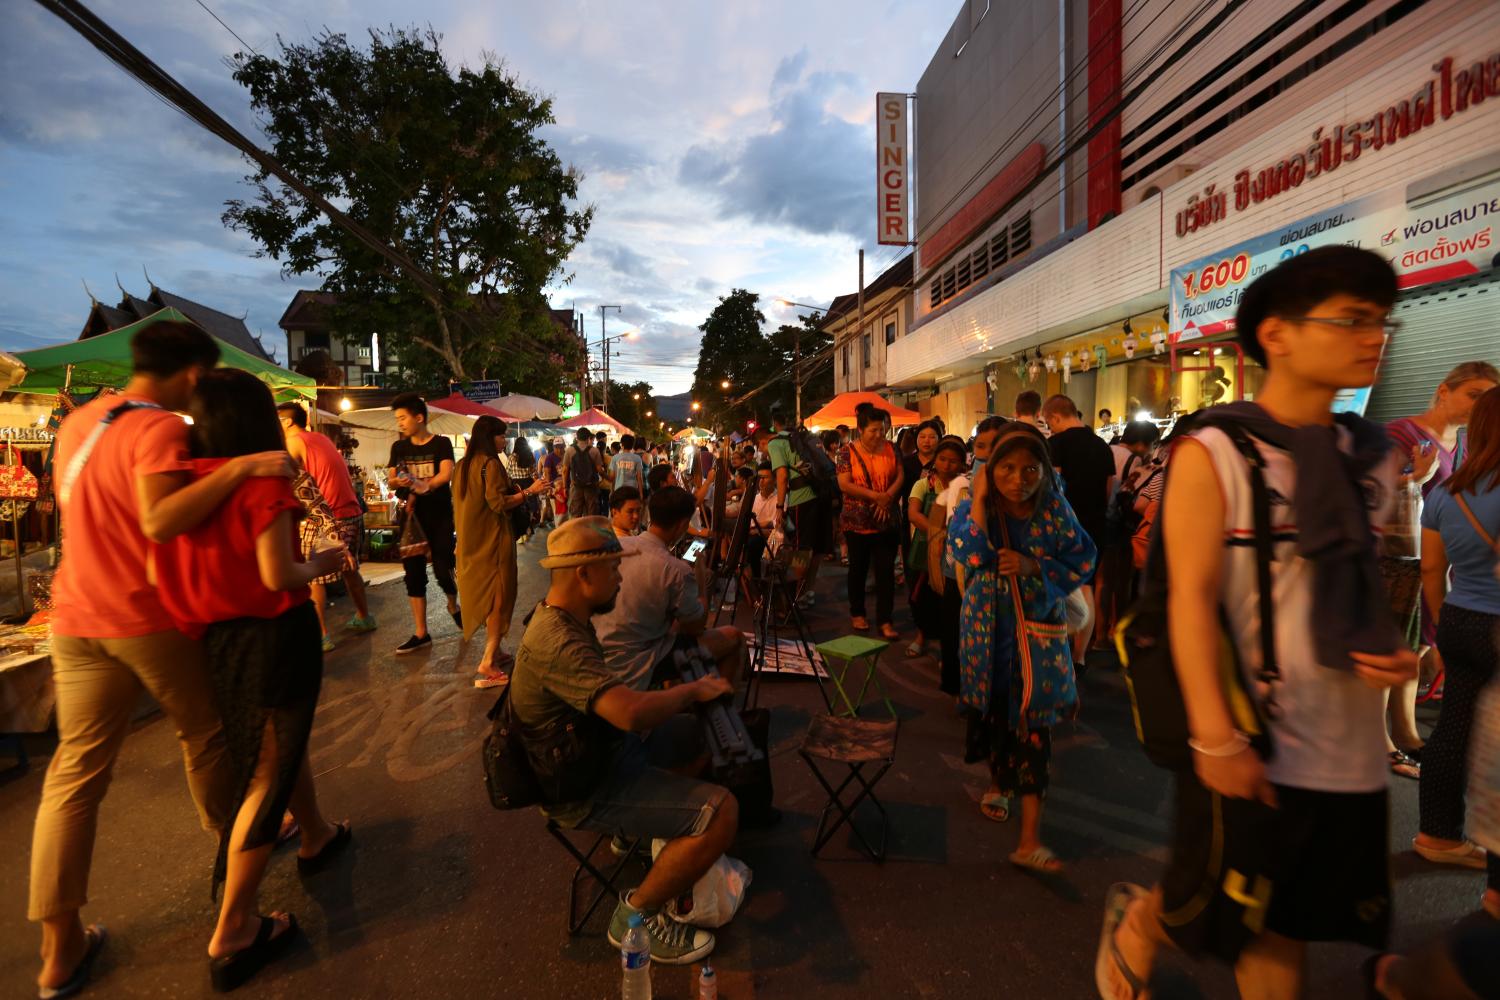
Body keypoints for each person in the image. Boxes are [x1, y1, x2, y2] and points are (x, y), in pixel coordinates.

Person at [1099, 245, 1417, 1000]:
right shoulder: (1218, 452)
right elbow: (1188, 599)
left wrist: (1396, 658)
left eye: (1381, 321)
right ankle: (1142, 922)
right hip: (1252, 736)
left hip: (1349, 745)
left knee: (1288, 928)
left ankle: (1153, 918)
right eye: (1351, 319)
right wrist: (1214, 737)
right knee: (1217, 912)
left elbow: (1373, 585)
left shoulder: (1373, 458)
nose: (1375, 336)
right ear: (1276, 335)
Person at [29, 319, 289, 999]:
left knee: (74, 773)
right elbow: (159, 520)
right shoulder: (160, 430)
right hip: (142, 615)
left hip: (72, 616)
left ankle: (59, 949)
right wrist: (241, 466)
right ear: (195, 374)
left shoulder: (77, 425)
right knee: (207, 736)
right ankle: (233, 863)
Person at [153, 369, 351, 992]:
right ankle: (234, 927)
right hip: (272, 636)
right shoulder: (262, 483)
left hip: (218, 641)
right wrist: (322, 562)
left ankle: (316, 834)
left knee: (274, 750)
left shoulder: (184, 485)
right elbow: (277, 574)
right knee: (266, 776)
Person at [509, 518, 738, 964]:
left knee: (704, 738)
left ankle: (645, 833)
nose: (619, 578)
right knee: (723, 811)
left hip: (599, 752)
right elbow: (629, 714)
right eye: (613, 568)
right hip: (581, 786)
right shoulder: (558, 640)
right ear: (584, 574)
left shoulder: (566, 616)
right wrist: (693, 690)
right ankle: (633, 917)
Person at [949, 423, 1096, 865]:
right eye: (1007, 468)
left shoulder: (1054, 509)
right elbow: (968, 552)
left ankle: (1030, 839)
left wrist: (1035, 566)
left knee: (1036, 728)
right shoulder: (978, 505)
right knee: (994, 713)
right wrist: (976, 499)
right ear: (990, 470)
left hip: (1037, 633)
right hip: (985, 631)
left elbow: (1083, 558)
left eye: (1030, 469)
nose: (1018, 479)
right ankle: (998, 782)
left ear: (1045, 471)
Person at [1414, 386, 1500, 876]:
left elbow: (1431, 569)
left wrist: (1442, 624)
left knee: (1453, 730)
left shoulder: (1446, 492)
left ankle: (1437, 835)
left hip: (1459, 618)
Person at [1387, 361, 1500, 707]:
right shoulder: (1400, 433)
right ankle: (1386, 739)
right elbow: (1369, 494)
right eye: (1473, 394)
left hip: (1438, 564)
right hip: (1402, 562)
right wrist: (1414, 480)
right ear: (1443, 390)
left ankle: (1406, 731)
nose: (1479, 406)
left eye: (1487, 399)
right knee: (1397, 651)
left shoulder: (1462, 443)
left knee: (1419, 649)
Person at [595, 485, 747, 691]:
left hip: (599, 652)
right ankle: (719, 710)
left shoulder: (617, 547)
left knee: (674, 623)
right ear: (683, 524)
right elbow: (695, 626)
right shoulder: (677, 569)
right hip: (637, 662)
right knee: (734, 637)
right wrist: (701, 578)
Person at [455, 416, 548, 689]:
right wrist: (530, 491)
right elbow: (498, 503)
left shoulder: (461, 465)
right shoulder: (490, 464)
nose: (504, 440)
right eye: (500, 436)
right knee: (499, 597)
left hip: (471, 541)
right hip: (493, 541)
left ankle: (495, 650)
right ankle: (487, 661)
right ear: (488, 437)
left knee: (486, 596)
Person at [276, 402, 375, 651]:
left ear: (287, 422)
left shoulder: (293, 442)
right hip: (351, 512)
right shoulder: (320, 438)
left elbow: (286, 479)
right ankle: (364, 617)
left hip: (324, 515)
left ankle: (320, 636)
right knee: (349, 567)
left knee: (314, 577)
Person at [928, 419, 1008, 696]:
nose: (986, 453)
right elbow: (949, 525)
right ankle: (955, 683)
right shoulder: (965, 484)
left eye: (994, 445)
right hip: (960, 571)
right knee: (954, 628)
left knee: (989, 638)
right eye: (981, 446)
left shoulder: (1022, 488)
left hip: (1000, 579)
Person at [1040, 393, 1114, 662]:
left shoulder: (1055, 445)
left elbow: (1052, 488)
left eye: (1049, 423)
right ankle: (1081, 655)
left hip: (1063, 525)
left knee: (1059, 585)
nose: (1050, 428)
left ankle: (1061, 652)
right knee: (1086, 586)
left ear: (1055, 417)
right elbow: (1109, 489)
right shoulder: (1101, 445)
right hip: (1094, 523)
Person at [387, 393, 459, 654]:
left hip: (438, 515)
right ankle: (421, 632)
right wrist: (401, 482)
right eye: (397, 419)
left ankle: (453, 604)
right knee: (413, 574)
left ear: (419, 417)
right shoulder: (399, 448)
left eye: (403, 418)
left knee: (442, 568)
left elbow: (446, 474)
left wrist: (421, 487)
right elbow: (392, 478)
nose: (400, 423)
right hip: (411, 519)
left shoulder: (441, 443)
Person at [837, 403, 905, 640]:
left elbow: (900, 476)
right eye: (873, 430)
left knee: (885, 573)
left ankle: (886, 620)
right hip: (857, 522)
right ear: (861, 429)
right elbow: (844, 484)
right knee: (858, 570)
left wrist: (887, 498)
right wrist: (876, 496)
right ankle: (858, 613)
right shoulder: (847, 452)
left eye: (882, 429)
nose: (879, 434)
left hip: (886, 520)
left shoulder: (892, 449)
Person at [906, 437, 965, 659]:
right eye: (942, 459)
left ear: (962, 463)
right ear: (935, 460)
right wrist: (940, 533)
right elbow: (913, 514)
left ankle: (946, 647)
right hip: (926, 553)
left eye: (953, 461)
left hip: (954, 555)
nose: (947, 465)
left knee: (949, 602)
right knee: (922, 598)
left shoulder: (965, 487)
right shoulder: (924, 484)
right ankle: (921, 636)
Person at [768, 408, 832, 604]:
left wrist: (779, 506)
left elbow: (782, 476)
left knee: (800, 550)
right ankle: (807, 591)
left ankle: (796, 594)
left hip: (801, 498)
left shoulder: (776, 442)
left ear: (774, 424)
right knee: (818, 548)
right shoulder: (806, 438)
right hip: (823, 495)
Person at [505, 435, 540, 545]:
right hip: (528, 484)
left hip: (516, 486)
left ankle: (521, 534)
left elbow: (508, 473)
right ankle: (527, 528)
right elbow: (533, 473)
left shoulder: (511, 457)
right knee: (529, 508)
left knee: (518, 508)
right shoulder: (530, 456)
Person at [563, 428, 604, 522]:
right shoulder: (595, 451)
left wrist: (565, 487)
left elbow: (565, 471)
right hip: (591, 487)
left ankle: (576, 535)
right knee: (591, 515)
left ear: (576, 437)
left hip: (576, 487)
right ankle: (590, 535)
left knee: (575, 515)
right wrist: (607, 478)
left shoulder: (569, 451)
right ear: (589, 437)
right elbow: (599, 470)